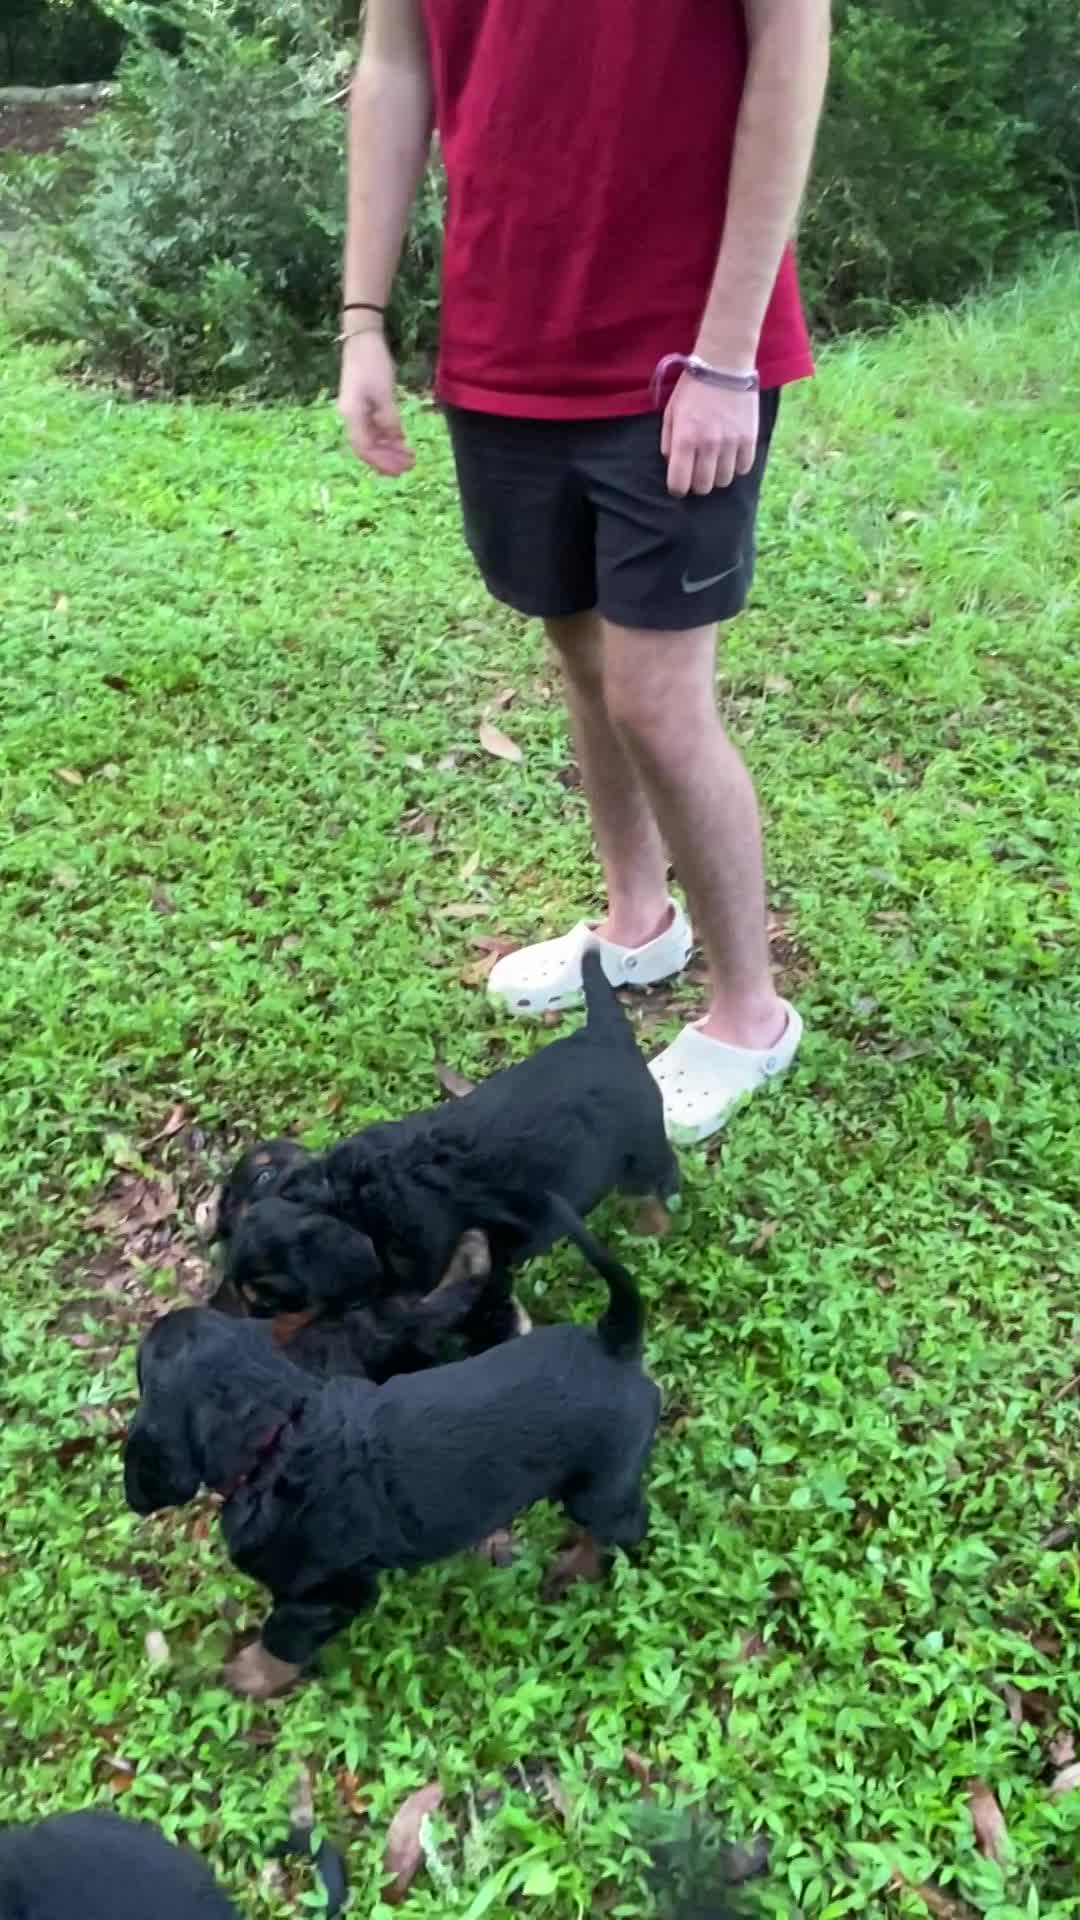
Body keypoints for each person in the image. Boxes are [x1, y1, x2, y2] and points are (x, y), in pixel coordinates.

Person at [337, 0, 831, 1144]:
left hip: (679, 351)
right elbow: (394, 65)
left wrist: (726, 352)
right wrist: (363, 321)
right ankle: (637, 923)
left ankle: (749, 1016)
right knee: (579, 644)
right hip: (506, 339)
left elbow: (791, 49)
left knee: (659, 697)